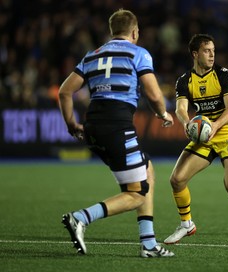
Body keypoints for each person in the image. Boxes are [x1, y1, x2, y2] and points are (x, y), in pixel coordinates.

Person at [58, 9, 175, 257]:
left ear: (113, 32)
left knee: (147, 171)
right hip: (116, 126)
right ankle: (80, 218)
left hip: (93, 126)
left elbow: (64, 92)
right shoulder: (138, 53)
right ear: (134, 32)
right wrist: (163, 113)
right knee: (136, 194)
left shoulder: (92, 55)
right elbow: (154, 94)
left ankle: (148, 244)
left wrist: (71, 124)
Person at [163, 34, 228, 247]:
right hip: (204, 134)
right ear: (195, 54)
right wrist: (186, 123)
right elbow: (181, 109)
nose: (212, 55)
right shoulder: (184, 80)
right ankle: (186, 224)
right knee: (177, 179)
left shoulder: (224, 75)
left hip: (227, 132)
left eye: (213, 50)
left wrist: (214, 126)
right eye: (206, 51)